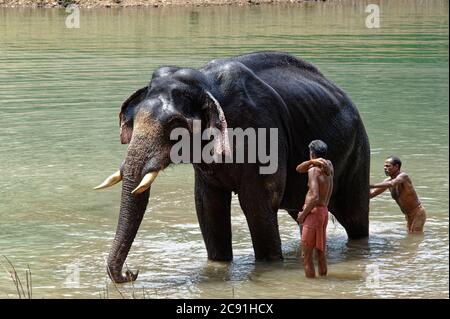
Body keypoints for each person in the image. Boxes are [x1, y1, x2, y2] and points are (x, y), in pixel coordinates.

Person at [296, 140, 334, 278]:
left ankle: (312, 291)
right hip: (324, 212)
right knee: (320, 252)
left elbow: (315, 196)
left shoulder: (313, 170)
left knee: (306, 256)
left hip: (313, 213)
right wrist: (314, 161)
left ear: (311, 153)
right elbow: (299, 168)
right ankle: (323, 282)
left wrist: (302, 215)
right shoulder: (329, 165)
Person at [370, 156, 426, 234]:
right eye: (384, 166)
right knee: (411, 235)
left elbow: (393, 183)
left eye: (388, 166)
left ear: (396, 166)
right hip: (408, 214)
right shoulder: (387, 181)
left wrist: (370, 185)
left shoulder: (403, 177)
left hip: (417, 212)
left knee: (415, 235)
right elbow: (373, 193)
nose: (385, 168)